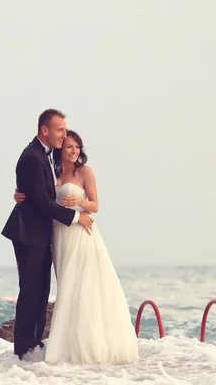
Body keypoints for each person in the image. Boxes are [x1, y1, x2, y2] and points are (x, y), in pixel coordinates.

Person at [13, 130, 138, 365]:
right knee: (67, 288)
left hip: (81, 234)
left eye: (77, 147)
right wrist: (20, 195)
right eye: (69, 146)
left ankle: (87, 347)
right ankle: (67, 344)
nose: (74, 151)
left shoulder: (84, 172)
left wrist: (80, 202)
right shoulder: (52, 170)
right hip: (59, 236)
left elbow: (96, 205)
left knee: (83, 286)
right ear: (61, 149)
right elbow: (40, 195)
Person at [1, 109, 95, 360]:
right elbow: (42, 201)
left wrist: (23, 194)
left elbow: (40, 190)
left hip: (43, 234)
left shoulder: (48, 155)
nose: (64, 137)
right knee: (31, 290)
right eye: (60, 130)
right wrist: (76, 217)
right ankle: (23, 351)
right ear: (45, 130)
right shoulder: (32, 156)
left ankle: (33, 345)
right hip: (29, 234)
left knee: (41, 291)